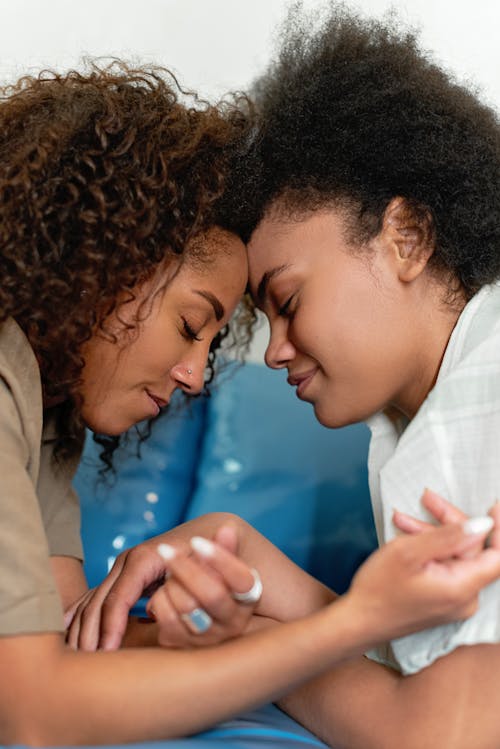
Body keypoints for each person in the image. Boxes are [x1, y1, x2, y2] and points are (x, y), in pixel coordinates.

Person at [66, 6, 500, 749]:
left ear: (407, 237)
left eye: (289, 302)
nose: (272, 350)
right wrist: (246, 556)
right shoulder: (420, 418)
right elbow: (422, 659)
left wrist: (246, 652)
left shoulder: (481, 400)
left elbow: (448, 729)